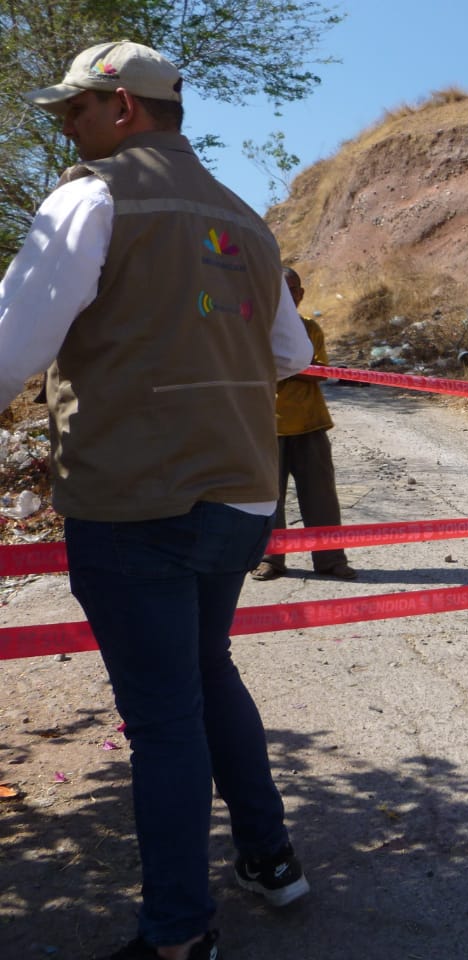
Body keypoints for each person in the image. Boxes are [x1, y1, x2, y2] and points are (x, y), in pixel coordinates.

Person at [1, 42, 316, 960]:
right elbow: (290, 354)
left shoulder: (91, 197)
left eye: (76, 108)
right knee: (207, 670)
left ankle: (178, 936)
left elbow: (12, 349)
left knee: (165, 717)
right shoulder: (248, 224)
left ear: (123, 108)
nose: (65, 123)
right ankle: (272, 860)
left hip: (136, 500)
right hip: (240, 501)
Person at [251, 267, 357, 581]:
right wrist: (300, 366)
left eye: (294, 290)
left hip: (311, 425)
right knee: (270, 501)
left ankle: (331, 560)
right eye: (283, 291)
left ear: (301, 294)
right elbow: (261, 369)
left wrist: (290, 366)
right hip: (267, 427)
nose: (290, 296)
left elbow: (320, 371)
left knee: (321, 497)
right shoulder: (254, 329)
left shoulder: (310, 329)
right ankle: (271, 559)